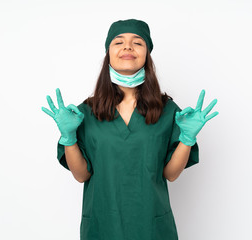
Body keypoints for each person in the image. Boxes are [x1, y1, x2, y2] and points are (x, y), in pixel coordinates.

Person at [42, 19, 218, 240]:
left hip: (151, 228)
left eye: (137, 42)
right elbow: (81, 175)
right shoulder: (84, 113)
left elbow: (171, 174)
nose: (127, 47)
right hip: (102, 226)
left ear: (147, 55)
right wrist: (69, 137)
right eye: (119, 42)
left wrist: (187, 138)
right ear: (108, 53)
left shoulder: (168, 111)